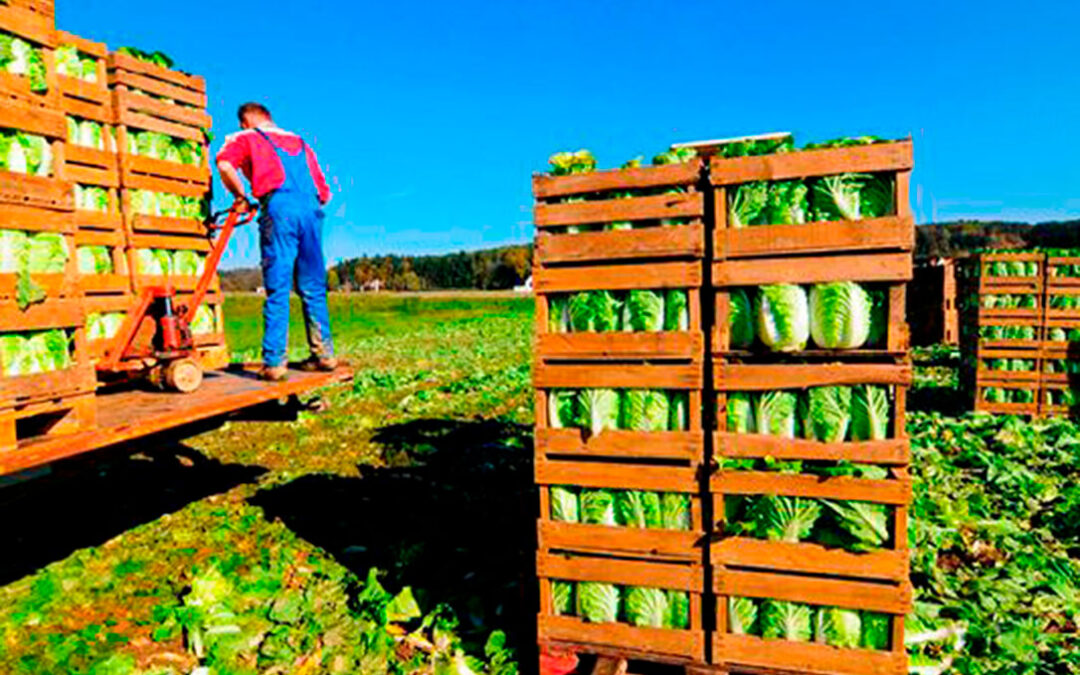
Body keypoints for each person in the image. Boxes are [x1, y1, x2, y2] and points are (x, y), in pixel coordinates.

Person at [216, 103, 337, 381]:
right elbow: (324, 193)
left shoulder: (246, 137)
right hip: (311, 212)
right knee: (313, 287)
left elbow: (224, 164)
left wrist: (240, 195)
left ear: (245, 122)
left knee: (278, 287)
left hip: (280, 208)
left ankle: (274, 363)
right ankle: (325, 355)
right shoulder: (301, 143)